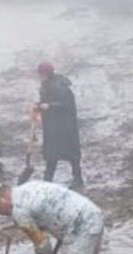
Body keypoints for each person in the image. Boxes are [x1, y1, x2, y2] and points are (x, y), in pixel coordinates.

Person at [34, 62, 84, 190]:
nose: (38, 77)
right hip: (53, 126)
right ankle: (47, 180)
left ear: (45, 74)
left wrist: (49, 106)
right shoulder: (46, 85)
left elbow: (67, 105)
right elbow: (47, 99)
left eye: (39, 74)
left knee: (71, 154)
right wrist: (39, 105)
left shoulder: (60, 86)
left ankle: (77, 179)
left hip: (65, 126)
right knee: (52, 154)